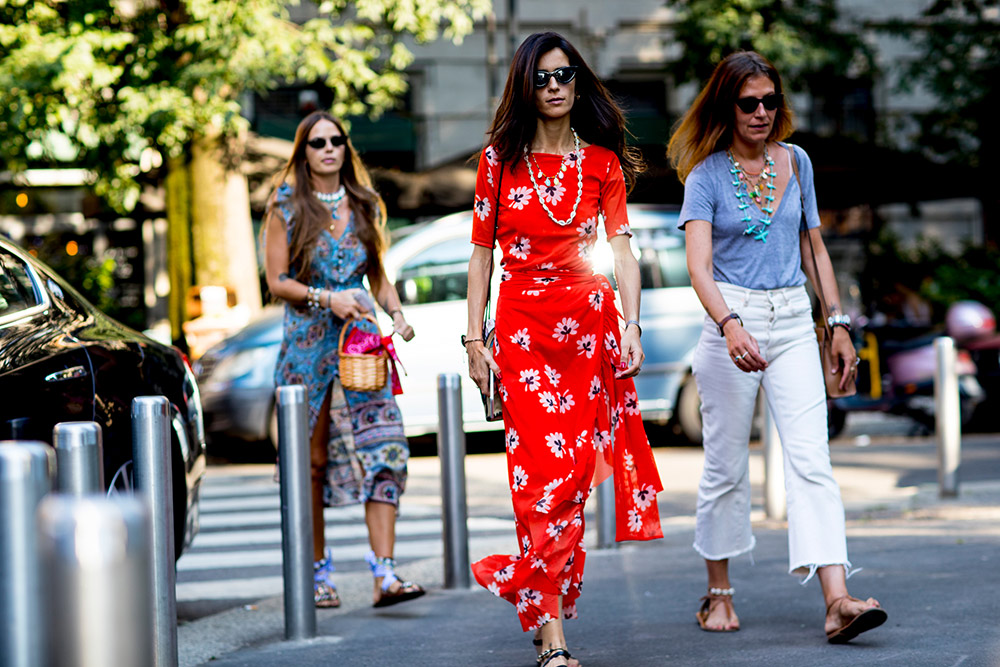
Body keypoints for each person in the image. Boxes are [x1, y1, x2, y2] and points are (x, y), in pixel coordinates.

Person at [667, 51, 887, 643]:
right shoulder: (706, 175)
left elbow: (815, 248)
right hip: (730, 319)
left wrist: (836, 322)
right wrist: (729, 323)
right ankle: (718, 593)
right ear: (727, 106)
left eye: (770, 100)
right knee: (725, 467)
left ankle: (837, 599)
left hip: (792, 318)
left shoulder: (798, 162)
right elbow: (699, 267)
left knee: (812, 459)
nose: (762, 112)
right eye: (748, 103)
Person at [465, 32, 664, 667]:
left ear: (579, 84)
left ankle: (534, 588)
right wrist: (475, 339)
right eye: (544, 78)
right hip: (522, 330)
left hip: (587, 328)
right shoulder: (499, 159)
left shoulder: (603, 162)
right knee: (539, 481)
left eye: (566, 75)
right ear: (527, 86)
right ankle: (552, 637)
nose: (555, 87)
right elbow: (480, 256)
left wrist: (632, 323)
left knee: (574, 480)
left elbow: (623, 250)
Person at [263, 110, 425, 609]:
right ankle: (317, 572)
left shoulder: (365, 203)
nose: (328, 148)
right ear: (303, 151)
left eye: (336, 140)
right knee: (311, 464)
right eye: (317, 143)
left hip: (361, 344)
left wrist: (396, 313)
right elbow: (276, 282)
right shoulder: (285, 208)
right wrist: (324, 297)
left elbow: (377, 275)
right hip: (307, 350)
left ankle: (385, 574)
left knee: (385, 449)